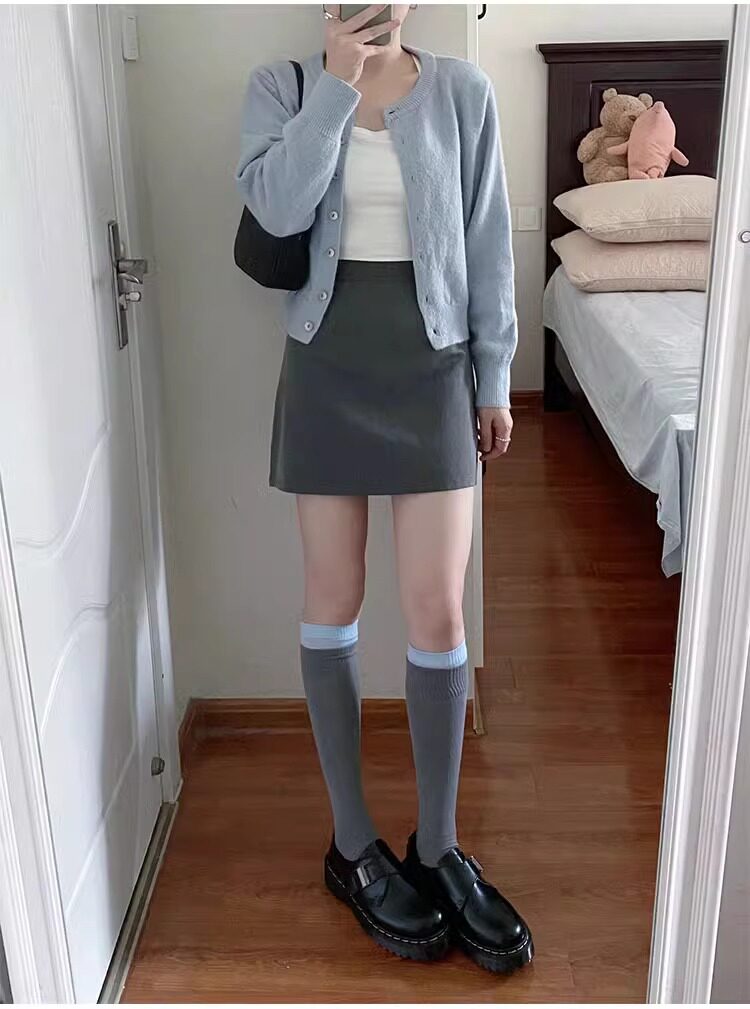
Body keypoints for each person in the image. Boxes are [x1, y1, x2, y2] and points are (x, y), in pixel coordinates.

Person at [236, 3, 532, 973]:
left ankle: (437, 844)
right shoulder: (282, 88)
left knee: (438, 609)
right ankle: (353, 842)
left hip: (436, 370)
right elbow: (278, 211)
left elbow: (488, 244)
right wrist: (337, 83)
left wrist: (495, 378)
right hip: (326, 368)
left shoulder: (464, 93)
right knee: (333, 599)